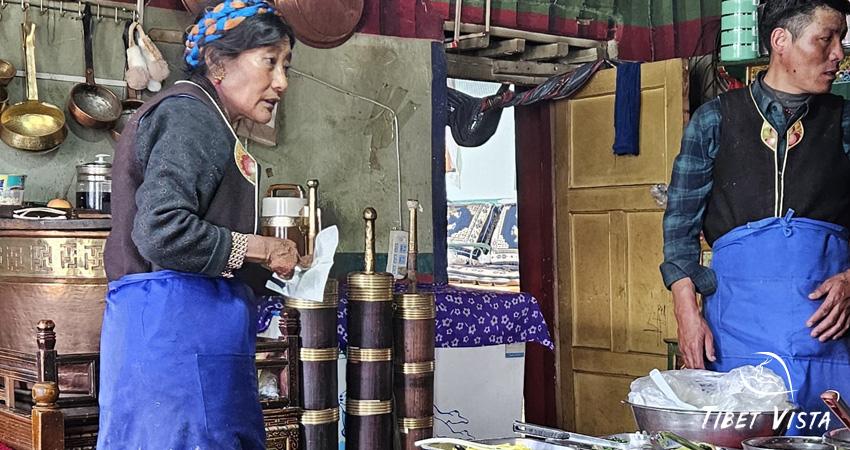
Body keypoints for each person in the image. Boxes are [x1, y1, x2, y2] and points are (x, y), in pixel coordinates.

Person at [98, 1, 305, 447]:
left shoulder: (207, 120)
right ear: (217, 62)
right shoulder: (191, 117)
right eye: (269, 62)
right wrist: (262, 248)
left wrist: (269, 266)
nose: (281, 82)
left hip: (179, 340)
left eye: (286, 65)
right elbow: (162, 230)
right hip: (173, 342)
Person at [661, 0, 850, 436]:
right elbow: (680, 226)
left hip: (828, 330)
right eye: (827, 39)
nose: (838, 53)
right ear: (781, 41)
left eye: (841, 40)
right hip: (737, 331)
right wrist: (687, 313)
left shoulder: (844, 121)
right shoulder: (715, 120)